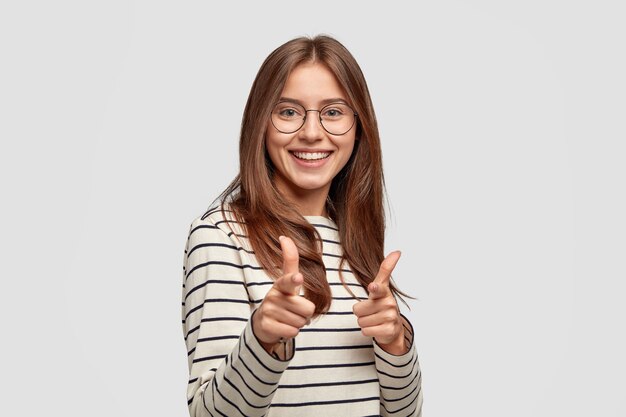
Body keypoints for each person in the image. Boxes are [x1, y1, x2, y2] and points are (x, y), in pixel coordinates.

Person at [181, 34, 423, 417]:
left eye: (333, 112)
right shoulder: (220, 235)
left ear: (359, 128)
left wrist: (396, 344)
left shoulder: (355, 237)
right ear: (261, 124)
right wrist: (262, 339)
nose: (312, 132)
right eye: (289, 112)